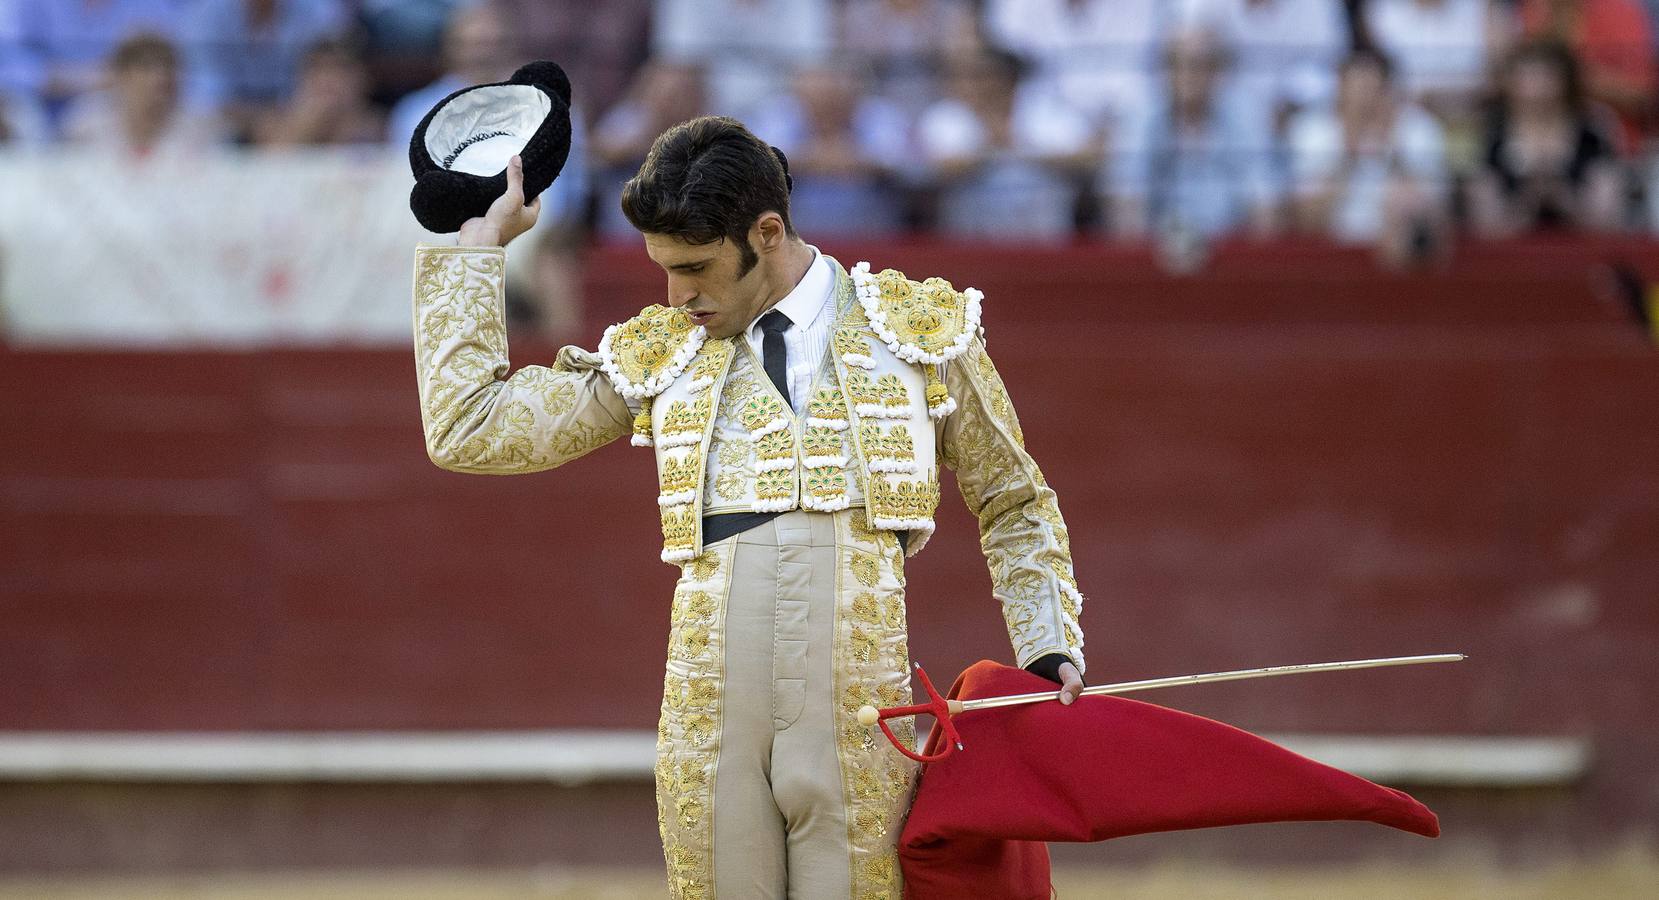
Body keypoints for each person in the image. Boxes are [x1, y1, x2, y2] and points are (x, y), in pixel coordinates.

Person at [411, 117, 1087, 898]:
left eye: (695, 267)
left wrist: (1045, 644)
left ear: (767, 233)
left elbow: (1012, 498)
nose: (676, 295)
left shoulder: (916, 330)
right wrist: (477, 249)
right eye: (663, 269)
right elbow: (471, 430)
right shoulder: (660, 351)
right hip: (711, 710)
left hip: (858, 716)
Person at [1466, 40, 1629, 235]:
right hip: (1512, 252)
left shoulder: (1592, 131)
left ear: (1565, 81)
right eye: (1528, 76)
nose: (1538, 87)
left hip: (1582, 247)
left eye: (1546, 76)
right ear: (1510, 82)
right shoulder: (1492, 132)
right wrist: (1527, 203)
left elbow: (1609, 216)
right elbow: (1484, 221)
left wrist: (1565, 201)